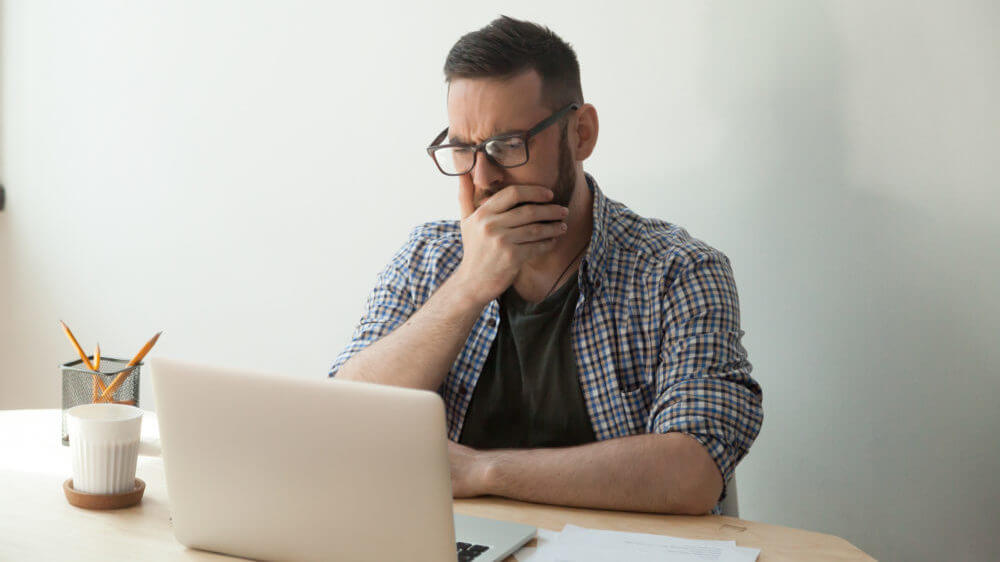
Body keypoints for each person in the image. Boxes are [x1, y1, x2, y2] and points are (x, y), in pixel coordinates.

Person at [330, 15, 763, 515]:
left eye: (507, 146)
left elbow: (693, 475)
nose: (483, 177)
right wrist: (469, 286)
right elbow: (344, 422)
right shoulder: (429, 259)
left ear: (581, 134)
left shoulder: (678, 273)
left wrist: (484, 471)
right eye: (463, 149)